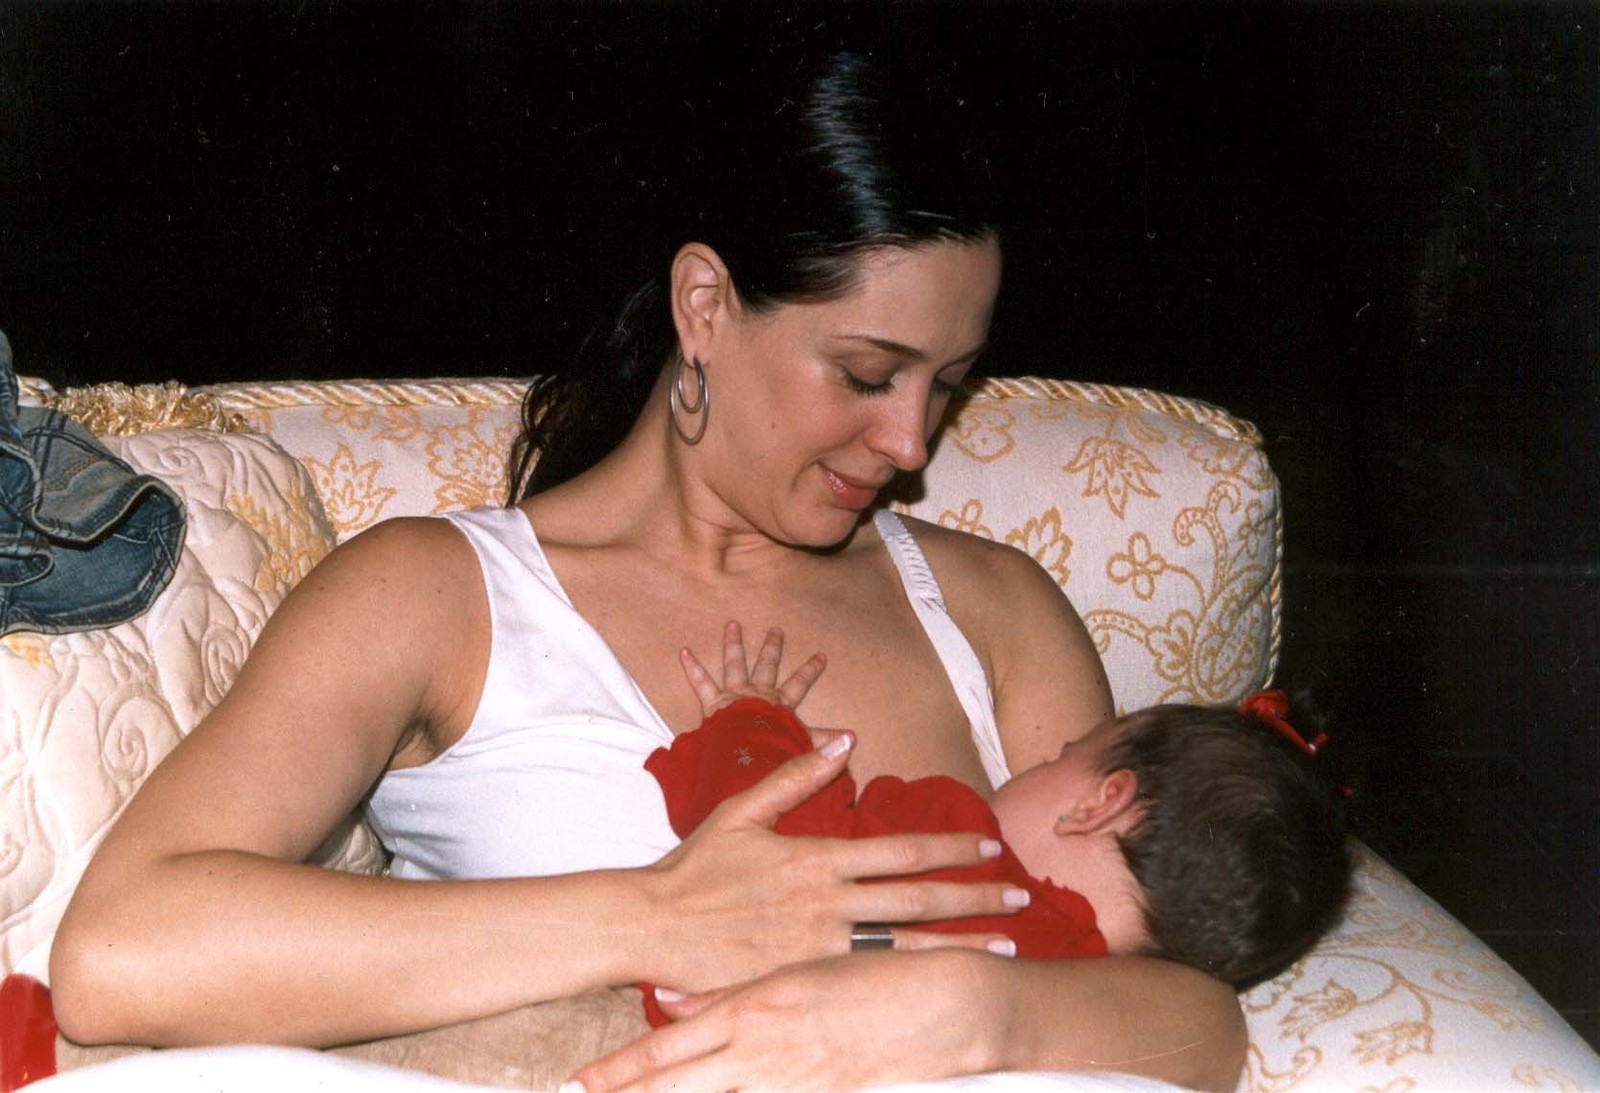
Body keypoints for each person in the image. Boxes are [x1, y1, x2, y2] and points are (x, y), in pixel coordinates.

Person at [50, 45, 1249, 1092]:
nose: (911, 442)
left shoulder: (995, 610)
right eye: (869, 372)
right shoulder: (432, 596)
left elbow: (1187, 1018)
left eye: (950, 382)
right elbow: (123, 954)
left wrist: (967, 1015)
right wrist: (657, 914)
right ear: (705, 306)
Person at [634, 623, 1350, 1026]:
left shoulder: (951, 836)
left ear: (1099, 801)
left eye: (1061, 755)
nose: (1032, 763)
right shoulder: (1091, 1006)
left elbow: (757, 837)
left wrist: (752, 720)